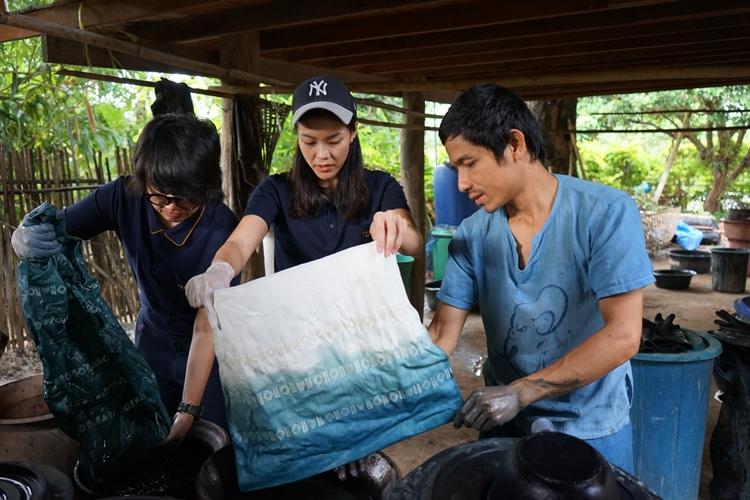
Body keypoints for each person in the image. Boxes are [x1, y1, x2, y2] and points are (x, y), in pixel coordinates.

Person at [427, 84, 654, 472]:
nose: (462, 183)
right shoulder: (471, 235)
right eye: (456, 169)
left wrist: (523, 391)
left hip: (589, 422)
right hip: (506, 422)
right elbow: (441, 338)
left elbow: (623, 336)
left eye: (470, 163)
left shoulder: (605, 214)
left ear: (515, 144)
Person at [11, 113, 237, 442]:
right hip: (153, 341)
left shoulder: (221, 225)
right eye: (159, 196)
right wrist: (26, 235)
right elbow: (58, 229)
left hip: (210, 349)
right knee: (149, 436)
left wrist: (188, 412)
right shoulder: (122, 198)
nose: (171, 207)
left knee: (212, 442)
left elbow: (208, 323)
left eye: (185, 200)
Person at [185, 74, 422, 315]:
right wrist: (219, 271)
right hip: (297, 324)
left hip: (362, 321)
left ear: (353, 132)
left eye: (334, 141)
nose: (322, 155)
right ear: (297, 135)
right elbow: (239, 243)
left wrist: (394, 230)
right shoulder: (275, 190)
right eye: (309, 141)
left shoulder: (381, 186)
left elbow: (414, 244)